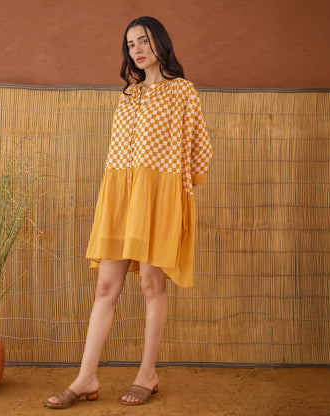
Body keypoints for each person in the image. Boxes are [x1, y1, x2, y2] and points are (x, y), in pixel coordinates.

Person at [46, 16, 212, 409]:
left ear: (160, 43)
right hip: (120, 198)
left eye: (143, 40)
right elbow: (119, 154)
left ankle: (147, 374)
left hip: (157, 199)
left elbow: (198, 147)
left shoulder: (183, 91)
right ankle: (86, 377)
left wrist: (174, 194)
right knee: (106, 287)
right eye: (130, 44)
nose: (137, 49)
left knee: (152, 286)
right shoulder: (129, 96)